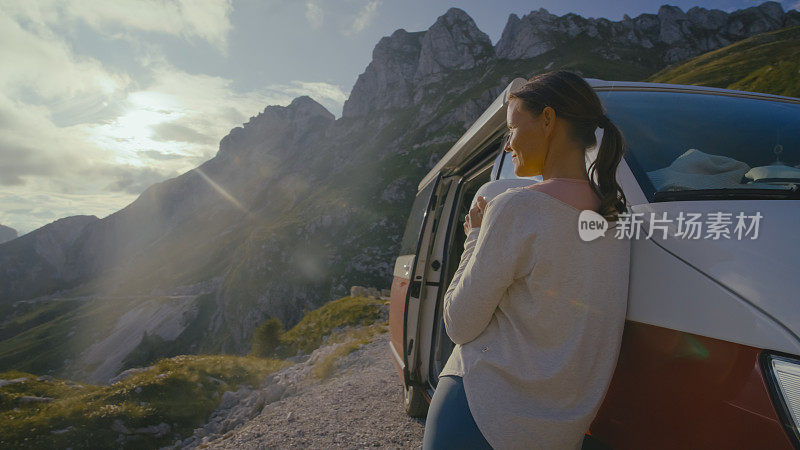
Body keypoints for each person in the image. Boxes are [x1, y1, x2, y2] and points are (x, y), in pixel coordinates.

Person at [422, 70, 632, 450]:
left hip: (480, 412)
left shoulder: (517, 206)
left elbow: (458, 323)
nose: (507, 145)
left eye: (512, 129)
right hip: (560, 430)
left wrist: (474, 237)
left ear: (548, 120)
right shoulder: (615, 217)